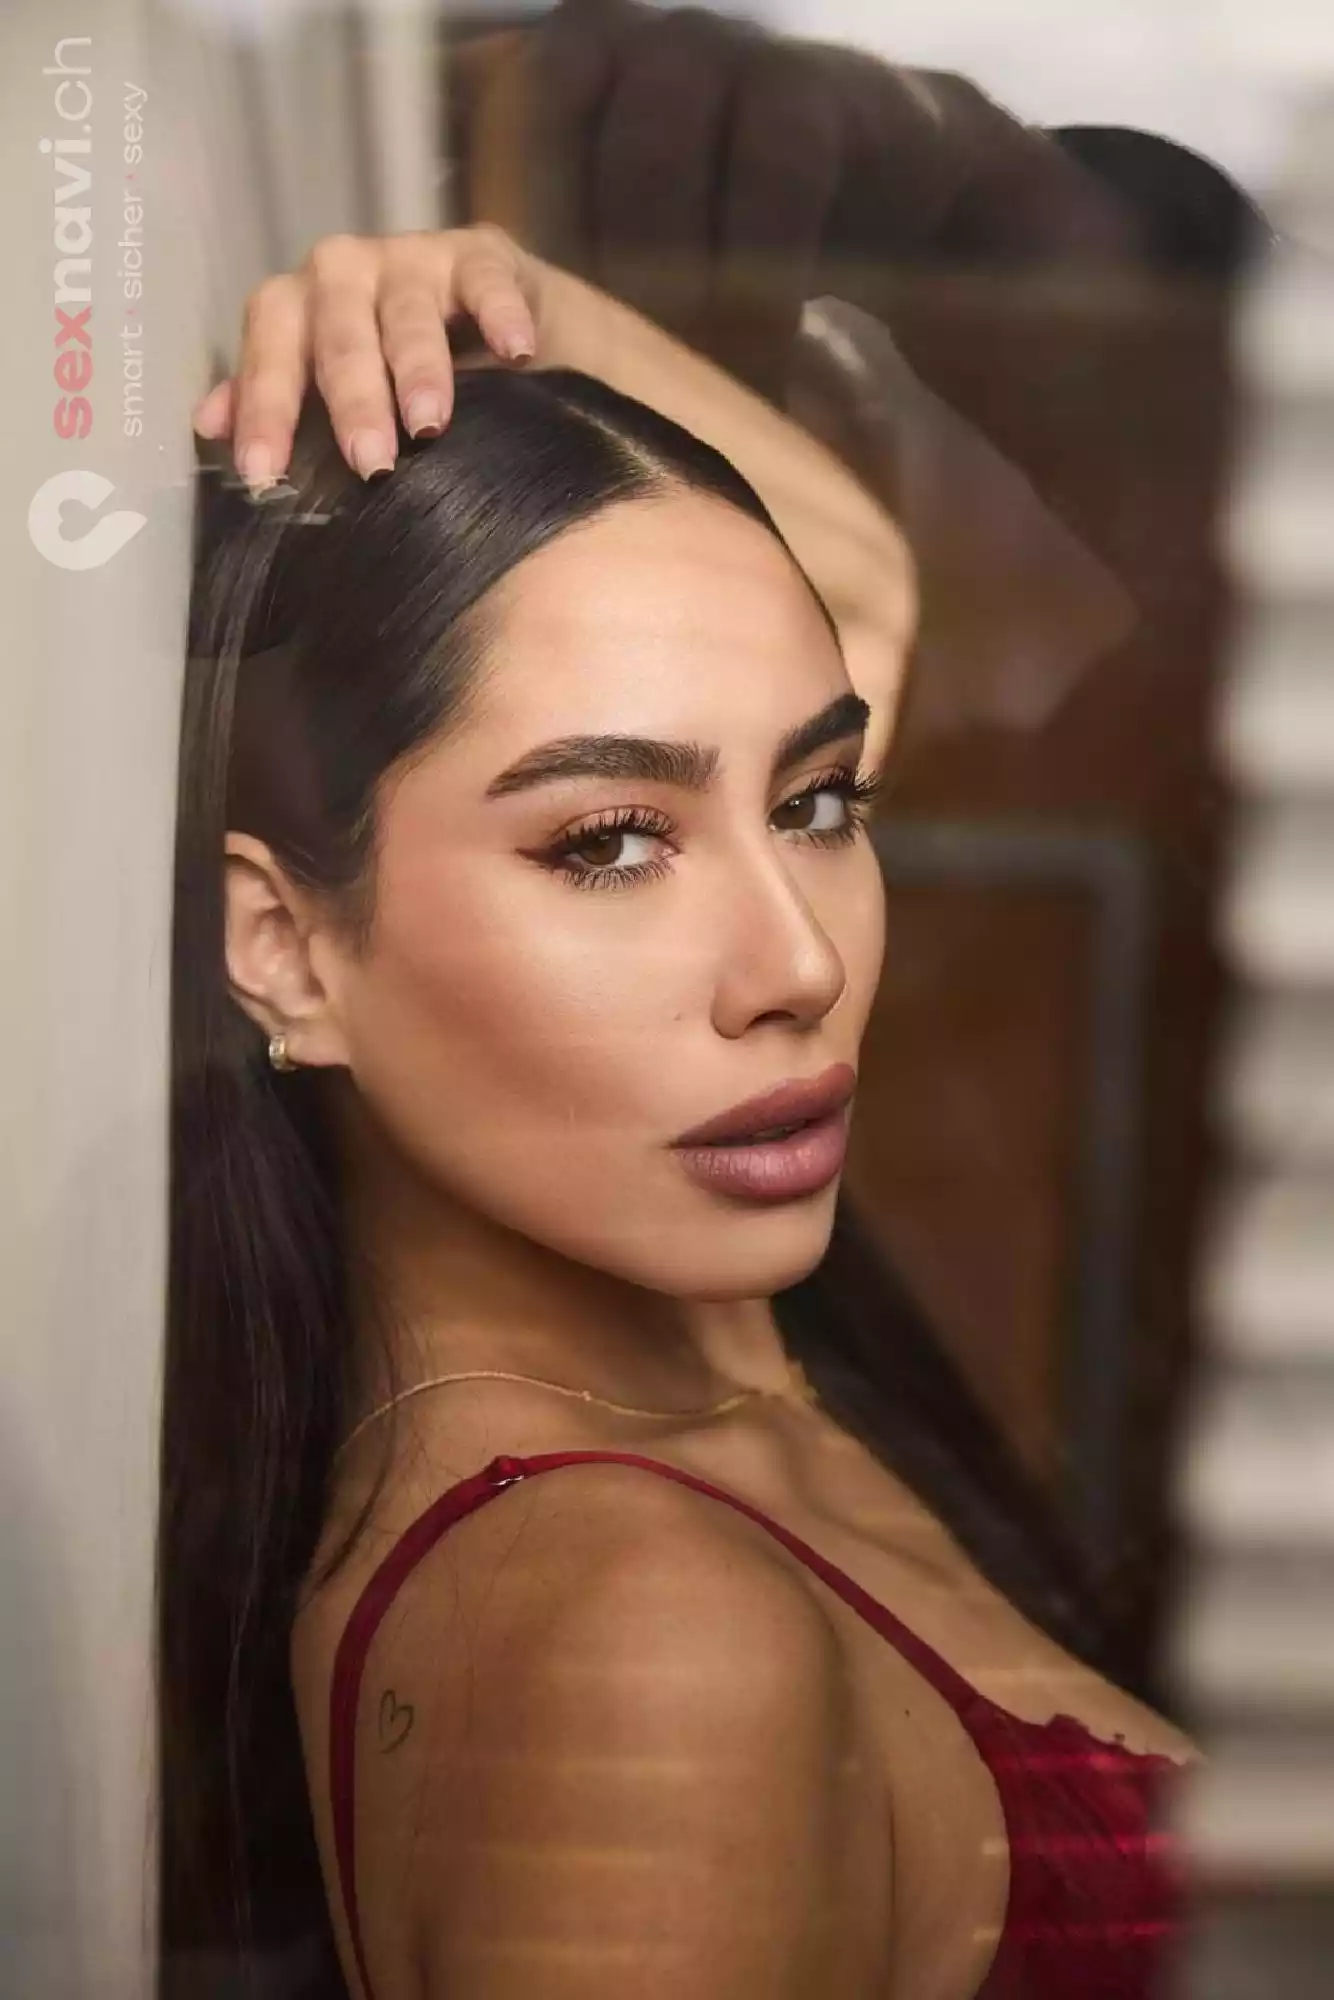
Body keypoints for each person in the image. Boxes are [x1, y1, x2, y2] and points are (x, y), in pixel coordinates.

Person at [164, 226, 1192, 2000]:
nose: (799, 962)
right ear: (287, 950)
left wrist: (499, 307)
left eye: (816, 803)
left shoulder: (699, 1349)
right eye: (608, 842)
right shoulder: (646, 1649)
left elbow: (847, 583)